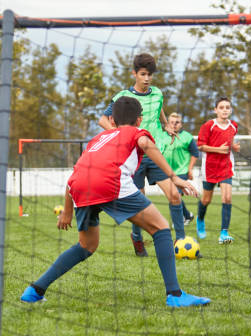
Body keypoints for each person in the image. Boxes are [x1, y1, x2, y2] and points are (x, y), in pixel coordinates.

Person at [21, 96, 211, 308]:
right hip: (109, 182)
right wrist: (174, 177)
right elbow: (146, 143)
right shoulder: (136, 132)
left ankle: (34, 290)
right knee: (161, 229)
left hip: (79, 187)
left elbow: (76, 173)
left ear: (111, 120)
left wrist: (67, 211)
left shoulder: (97, 139)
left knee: (86, 246)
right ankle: (175, 295)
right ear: (139, 121)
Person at [99, 53, 184, 257]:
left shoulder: (157, 93)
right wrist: (118, 135)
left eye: (150, 75)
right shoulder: (122, 98)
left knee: (174, 195)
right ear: (134, 73)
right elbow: (103, 119)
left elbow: (159, 108)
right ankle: (137, 239)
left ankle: (180, 242)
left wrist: (165, 124)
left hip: (154, 154)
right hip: (133, 158)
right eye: (143, 74)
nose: (147, 78)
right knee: (140, 204)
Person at [195, 97, 240, 244]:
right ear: (216, 110)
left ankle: (224, 234)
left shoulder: (234, 126)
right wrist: (218, 150)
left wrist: (234, 146)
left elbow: (230, 141)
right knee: (206, 199)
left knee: (227, 198)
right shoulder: (208, 126)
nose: (225, 110)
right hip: (210, 168)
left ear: (230, 109)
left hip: (226, 166)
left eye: (227, 107)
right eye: (221, 107)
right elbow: (200, 146)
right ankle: (200, 219)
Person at [159, 113, 199, 225]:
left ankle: (177, 221)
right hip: (166, 171)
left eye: (177, 123)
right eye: (171, 122)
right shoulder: (161, 136)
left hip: (181, 171)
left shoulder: (187, 137)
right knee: (173, 196)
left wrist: (190, 169)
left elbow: (195, 154)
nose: (174, 125)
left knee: (174, 194)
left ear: (181, 124)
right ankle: (187, 215)